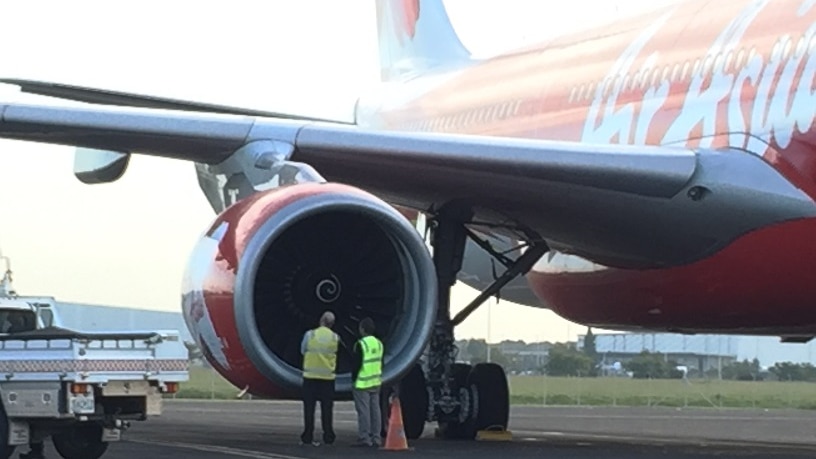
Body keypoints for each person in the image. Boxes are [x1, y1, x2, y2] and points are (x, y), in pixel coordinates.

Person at [299, 311, 339, 446]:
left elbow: (303, 350)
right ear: (332, 324)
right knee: (327, 409)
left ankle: (308, 436)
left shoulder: (310, 335)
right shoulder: (335, 338)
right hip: (327, 379)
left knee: (309, 409)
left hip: (310, 377)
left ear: (321, 320)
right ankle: (328, 435)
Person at [351, 317, 384, 447]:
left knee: (364, 411)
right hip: (376, 381)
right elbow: (382, 363)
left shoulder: (361, 344)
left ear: (362, 329)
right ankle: (376, 438)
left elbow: (356, 365)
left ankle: (364, 437)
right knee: (376, 410)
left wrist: (354, 380)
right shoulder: (379, 344)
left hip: (362, 383)